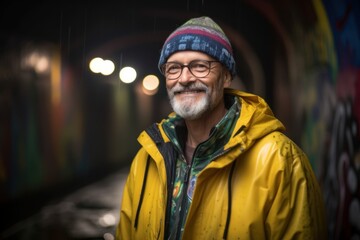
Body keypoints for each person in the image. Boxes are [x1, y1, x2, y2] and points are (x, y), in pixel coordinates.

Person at [116, 16, 327, 239]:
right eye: (173, 68)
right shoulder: (146, 159)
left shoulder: (280, 160)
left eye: (199, 66)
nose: (185, 78)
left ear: (226, 77)